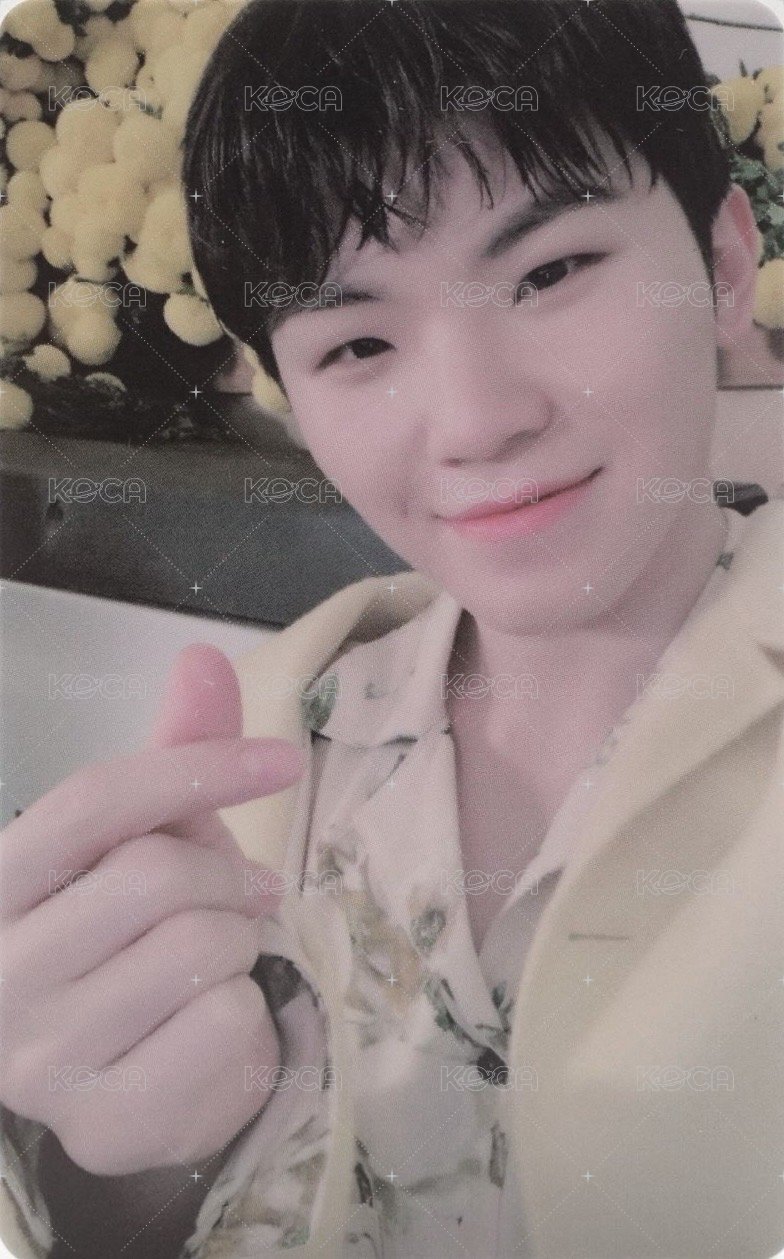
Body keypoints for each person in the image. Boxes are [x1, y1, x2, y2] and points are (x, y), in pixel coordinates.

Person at [2, 1, 782, 1256]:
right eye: (358, 340)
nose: (474, 420)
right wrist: (126, 1167)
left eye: (550, 272)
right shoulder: (253, 760)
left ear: (724, 261)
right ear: (287, 398)